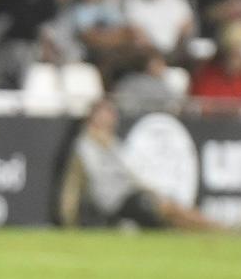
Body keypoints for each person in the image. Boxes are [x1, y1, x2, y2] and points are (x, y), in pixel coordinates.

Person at [57, 98, 218, 230]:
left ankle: (215, 229)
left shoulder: (112, 143)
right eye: (104, 113)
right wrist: (68, 218)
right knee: (169, 211)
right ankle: (217, 229)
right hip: (114, 201)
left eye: (111, 113)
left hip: (130, 195)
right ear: (92, 117)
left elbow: (129, 174)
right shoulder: (84, 147)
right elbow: (73, 184)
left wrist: (148, 190)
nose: (110, 117)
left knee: (171, 209)